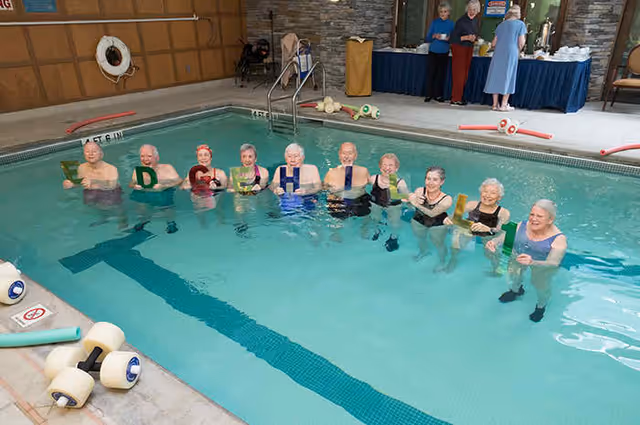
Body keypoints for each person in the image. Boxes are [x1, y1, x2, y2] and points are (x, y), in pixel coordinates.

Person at [487, 200, 567, 322]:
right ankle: (516, 291)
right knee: (513, 274)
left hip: (542, 264)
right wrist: (495, 242)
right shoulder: (522, 225)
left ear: (550, 220)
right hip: (519, 256)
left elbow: (553, 263)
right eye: (532, 214)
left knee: (540, 286)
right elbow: (505, 236)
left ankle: (540, 306)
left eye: (539, 216)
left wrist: (532, 262)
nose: (533, 219)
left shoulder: (559, 239)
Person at [443, 178, 510, 273]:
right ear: (480, 193)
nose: (487, 195)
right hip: (470, 228)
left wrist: (488, 229)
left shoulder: (504, 213)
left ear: (499, 197)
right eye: (485, 191)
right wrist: (447, 219)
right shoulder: (471, 205)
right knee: (456, 245)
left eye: (493, 193)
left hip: (489, 233)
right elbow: (454, 216)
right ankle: (452, 260)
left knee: (491, 254)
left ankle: (496, 268)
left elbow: (500, 231)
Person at [62, 141, 126, 228]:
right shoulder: (82, 168)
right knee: (98, 206)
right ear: (84, 154)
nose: (91, 154)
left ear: (101, 154)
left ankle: (122, 220)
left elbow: (112, 186)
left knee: (116, 207)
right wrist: (72, 184)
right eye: (87, 151)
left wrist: (94, 181)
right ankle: (105, 217)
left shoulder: (110, 168)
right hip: (92, 192)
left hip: (111, 192)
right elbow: (80, 182)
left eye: (94, 151)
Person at [406, 166, 452, 269]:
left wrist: (416, 204)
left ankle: (442, 261)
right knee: (420, 238)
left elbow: (432, 213)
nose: (430, 183)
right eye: (428, 178)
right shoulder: (420, 191)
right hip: (419, 219)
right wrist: (411, 198)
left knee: (438, 243)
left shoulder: (446, 199)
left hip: (437, 223)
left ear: (442, 181)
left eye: (435, 179)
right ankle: (423, 251)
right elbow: (408, 199)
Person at [129, 144, 182, 233]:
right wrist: (134, 186)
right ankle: (144, 220)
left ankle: (170, 222)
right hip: (145, 192)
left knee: (166, 205)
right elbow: (131, 183)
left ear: (157, 157)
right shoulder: (138, 171)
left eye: (149, 156)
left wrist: (164, 186)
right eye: (142, 156)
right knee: (141, 205)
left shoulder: (167, 168)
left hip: (163, 192)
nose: (145, 159)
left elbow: (179, 181)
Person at [484, 5, 527, 111]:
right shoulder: (520, 24)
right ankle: (504, 104)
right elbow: (521, 42)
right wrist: (520, 50)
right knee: (509, 75)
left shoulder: (501, 25)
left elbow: (494, 43)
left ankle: (494, 105)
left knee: (496, 75)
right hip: (511, 52)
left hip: (498, 52)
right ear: (518, 14)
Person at [367, 153, 410, 252]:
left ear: (396, 168)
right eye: (384, 165)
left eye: (391, 165)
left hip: (393, 206)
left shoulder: (399, 183)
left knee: (394, 223)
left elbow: (407, 197)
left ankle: (394, 237)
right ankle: (377, 231)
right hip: (376, 203)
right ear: (380, 166)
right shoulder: (374, 179)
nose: (387, 168)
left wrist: (407, 200)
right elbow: (360, 184)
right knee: (374, 218)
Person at [324, 142, 371, 220]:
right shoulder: (331, 173)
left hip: (360, 201)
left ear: (355, 155)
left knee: (366, 221)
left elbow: (374, 184)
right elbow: (323, 190)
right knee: (337, 224)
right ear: (339, 155)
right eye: (344, 153)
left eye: (350, 153)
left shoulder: (363, 171)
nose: (346, 156)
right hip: (339, 202)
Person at [270, 143, 322, 212]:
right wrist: (276, 190)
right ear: (285, 158)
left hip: (307, 198)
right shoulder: (280, 169)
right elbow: (272, 186)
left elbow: (319, 188)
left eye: (296, 156)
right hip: (286, 199)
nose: (292, 160)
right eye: (289, 156)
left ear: (302, 158)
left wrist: (306, 191)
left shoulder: (312, 169)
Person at [449, 0, 481, 106]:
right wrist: (466, 37)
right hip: (459, 48)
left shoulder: (476, 21)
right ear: (467, 9)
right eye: (471, 9)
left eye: (475, 10)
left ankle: (460, 96)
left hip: (469, 48)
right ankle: (455, 98)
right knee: (459, 74)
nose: (472, 12)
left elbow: (476, 34)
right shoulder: (461, 21)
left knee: (465, 74)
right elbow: (453, 38)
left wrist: (474, 38)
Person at [424, 2, 455, 103]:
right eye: (441, 12)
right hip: (433, 51)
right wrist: (434, 36)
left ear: (448, 13)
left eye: (445, 11)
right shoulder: (434, 22)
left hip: (444, 51)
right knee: (431, 73)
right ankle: (429, 94)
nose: (443, 13)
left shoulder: (452, 24)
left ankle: (438, 95)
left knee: (441, 75)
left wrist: (449, 39)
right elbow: (427, 38)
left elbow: (454, 40)